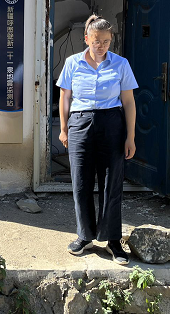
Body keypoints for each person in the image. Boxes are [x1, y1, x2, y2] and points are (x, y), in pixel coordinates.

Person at [57, 14, 137, 265]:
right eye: (96, 41)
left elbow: (128, 101)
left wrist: (131, 137)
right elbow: (65, 97)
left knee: (111, 183)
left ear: (111, 40)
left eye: (105, 41)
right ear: (86, 39)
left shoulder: (121, 64)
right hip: (80, 123)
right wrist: (64, 128)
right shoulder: (72, 63)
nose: (101, 46)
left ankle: (113, 240)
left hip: (112, 123)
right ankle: (85, 236)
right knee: (81, 182)